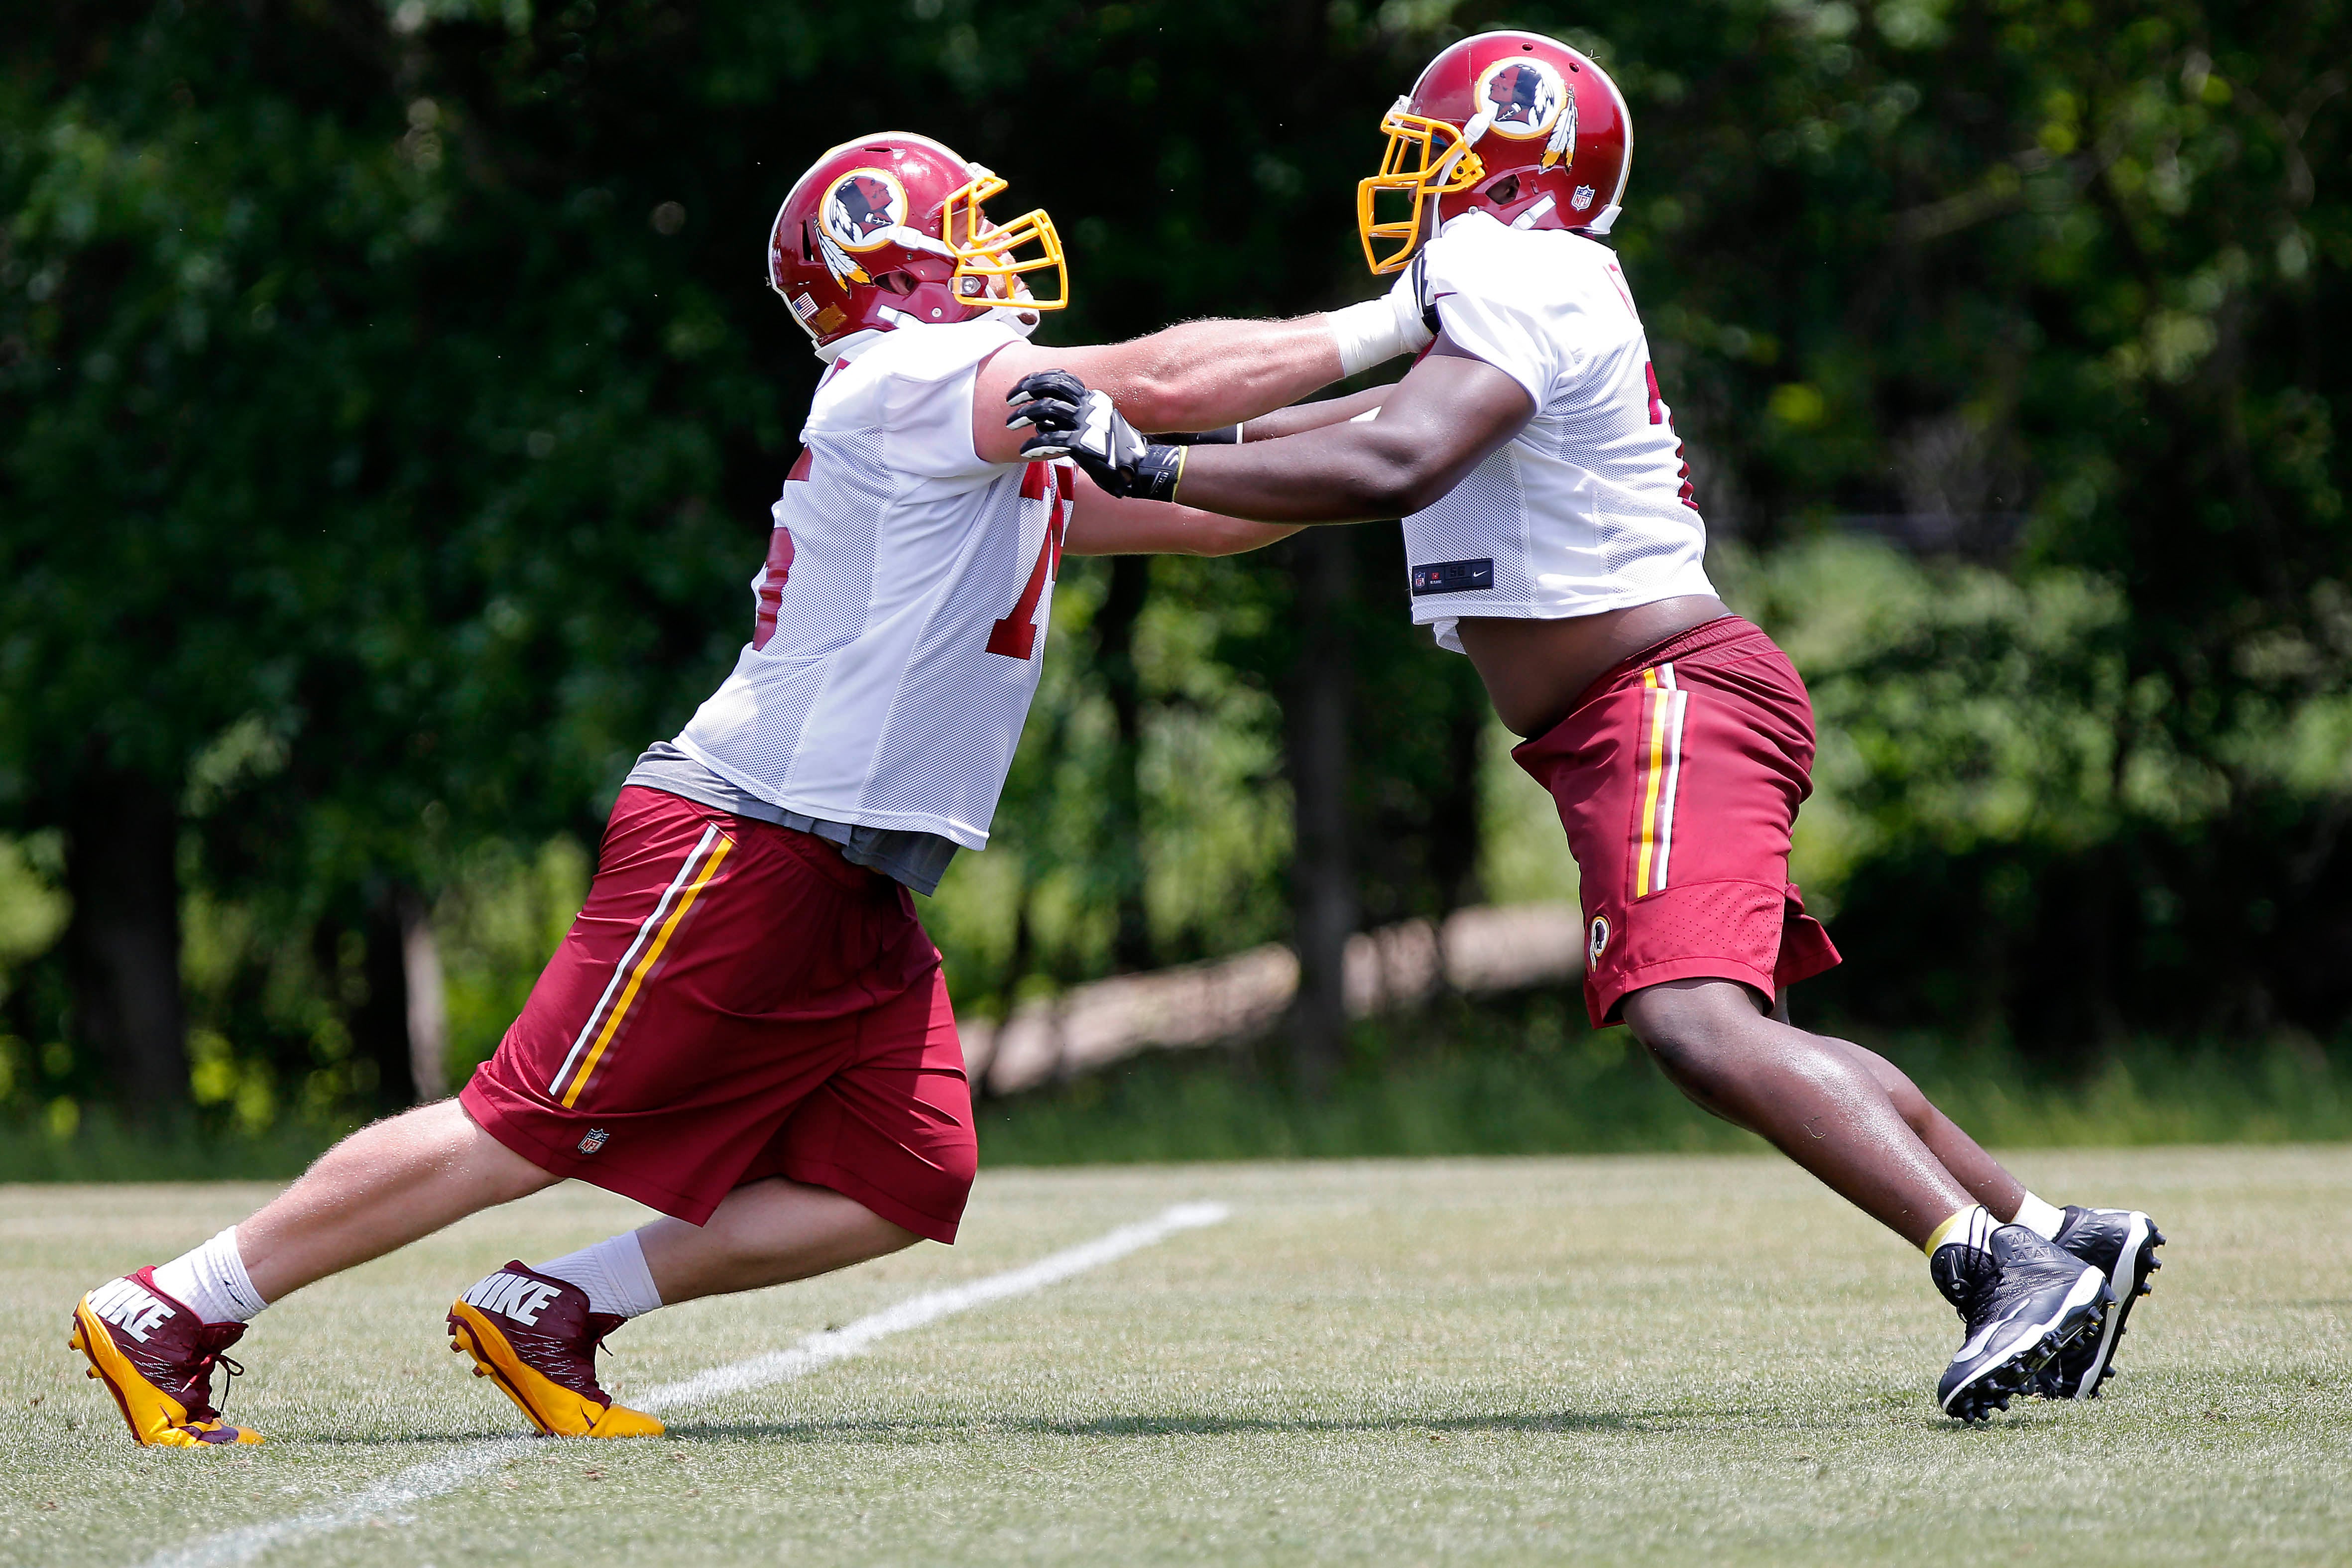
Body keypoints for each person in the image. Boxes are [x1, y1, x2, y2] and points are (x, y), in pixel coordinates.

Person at [67, 129, 1445, 1447]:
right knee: (525, 1122)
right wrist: (1403, 314)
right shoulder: (905, 382)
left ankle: (553, 1304)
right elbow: (1165, 378)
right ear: (889, 268)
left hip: (845, 869)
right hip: (745, 834)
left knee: (901, 1178)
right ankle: (173, 1305)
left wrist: (1443, 401)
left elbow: (1220, 504)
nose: (992, 259)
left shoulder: (966, 425)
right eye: (962, 234)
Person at [1008, 30, 2164, 1420]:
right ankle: (2052, 1236)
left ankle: (1993, 1270)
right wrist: (1052, 511)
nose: (1407, 180)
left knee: (1693, 1025)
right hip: (1634, 713)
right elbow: (1274, 465)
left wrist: (1145, 449)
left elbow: (1387, 461)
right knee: (1753, 1041)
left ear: (1507, 165)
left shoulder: (1521, 267)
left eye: (1428, 152)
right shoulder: (1492, 310)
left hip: (1662, 698)